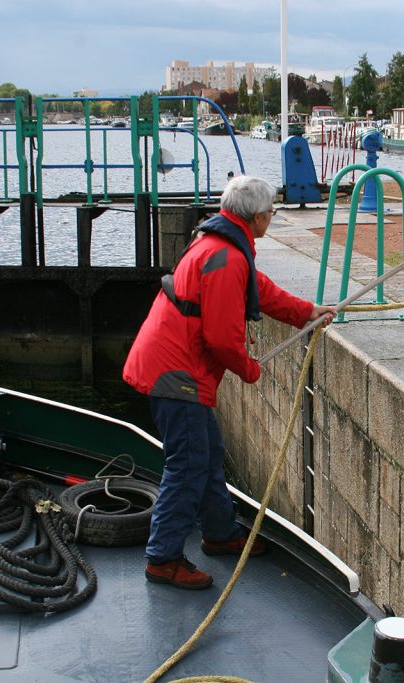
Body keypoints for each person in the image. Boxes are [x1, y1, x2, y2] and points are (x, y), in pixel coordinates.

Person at [123, 175, 336, 590]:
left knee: (207, 452)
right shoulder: (226, 256)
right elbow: (221, 337)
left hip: (174, 367)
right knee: (186, 466)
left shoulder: (221, 244)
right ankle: (162, 558)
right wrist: (249, 368)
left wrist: (305, 312)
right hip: (177, 374)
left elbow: (259, 291)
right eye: (271, 213)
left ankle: (220, 534)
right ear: (257, 217)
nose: (271, 219)